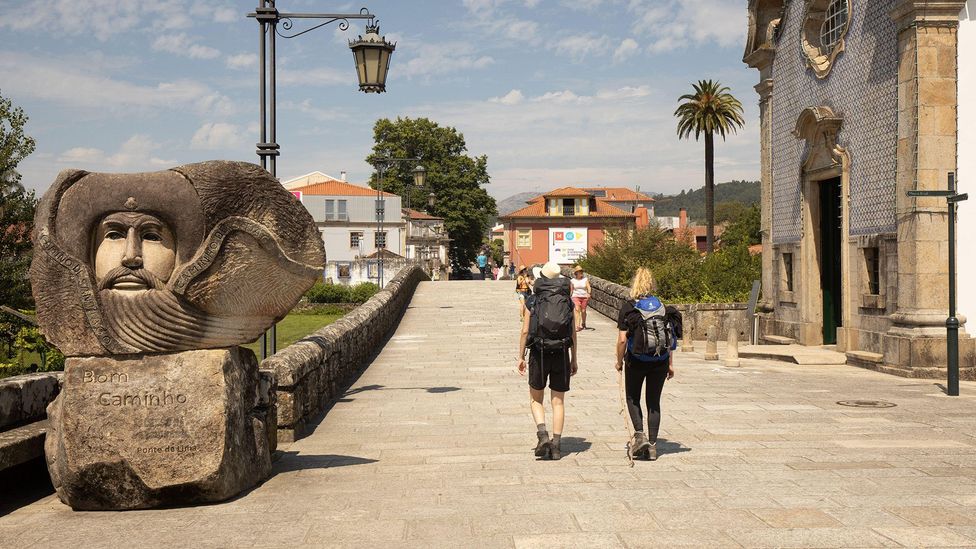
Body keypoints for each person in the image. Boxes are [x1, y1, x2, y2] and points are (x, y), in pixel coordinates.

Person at [517, 261, 577, 461]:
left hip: (538, 351)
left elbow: (525, 330)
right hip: (561, 351)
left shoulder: (533, 300)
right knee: (558, 401)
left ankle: (543, 435)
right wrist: (574, 358)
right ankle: (557, 445)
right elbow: (573, 333)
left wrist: (520, 357)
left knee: (536, 399)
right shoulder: (567, 301)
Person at [615, 267, 675, 461]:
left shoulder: (629, 306)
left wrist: (618, 361)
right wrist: (670, 364)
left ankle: (640, 437)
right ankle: (653, 446)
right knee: (653, 402)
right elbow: (670, 338)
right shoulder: (661, 306)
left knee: (633, 398)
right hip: (660, 360)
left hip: (637, 359)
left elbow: (622, 340)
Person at [570, 265, 592, 331]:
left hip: (584, 297)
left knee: (583, 311)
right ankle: (577, 326)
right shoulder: (572, 280)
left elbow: (589, 287)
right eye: (580, 271)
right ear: (576, 273)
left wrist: (589, 293)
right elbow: (571, 290)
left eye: (581, 271)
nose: (581, 273)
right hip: (575, 296)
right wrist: (569, 296)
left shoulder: (585, 279)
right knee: (577, 310)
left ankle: (583, 323)